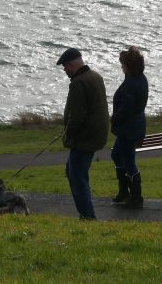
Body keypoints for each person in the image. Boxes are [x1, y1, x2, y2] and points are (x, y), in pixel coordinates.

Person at [56, 47, 109, 220]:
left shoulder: (78, 82)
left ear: (71, 65)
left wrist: (67, 134)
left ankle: (87, 216)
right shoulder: (95, 76)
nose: (65, 71)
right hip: (95, 135)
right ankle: (86, 214)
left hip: (84, 139)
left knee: (77, 178)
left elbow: (76, 115)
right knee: (73, 171)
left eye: (65, 68)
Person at [110, 45, 149, 209]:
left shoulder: (130, 85)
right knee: (116, 154)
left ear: (128, 66)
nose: (121, 66)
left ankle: (136, 196)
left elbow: (126, 109)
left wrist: (114, 119)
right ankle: (124, 191)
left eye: (123, 64)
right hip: (136, 125)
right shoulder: (140, 79)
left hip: (128, 129)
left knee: (129, 161)